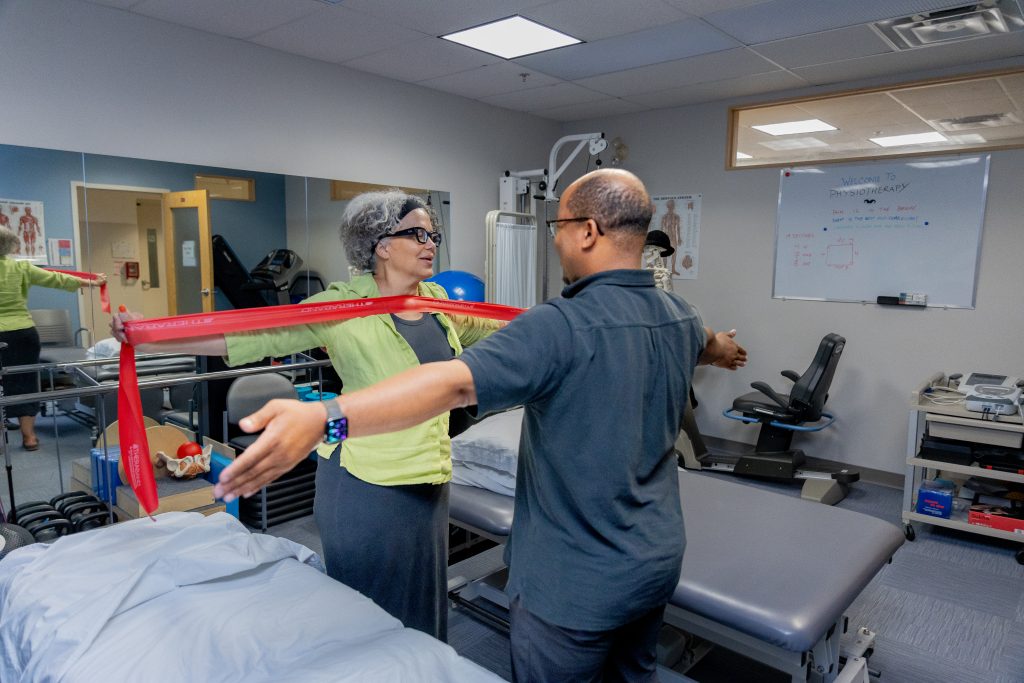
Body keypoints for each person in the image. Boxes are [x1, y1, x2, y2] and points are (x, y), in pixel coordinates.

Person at [212, 169, 746, 681]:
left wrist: (324, 417)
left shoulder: (535, 320)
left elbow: (453, 383)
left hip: (570, 579)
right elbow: (708, 342)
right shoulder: (680, 316)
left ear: (588, 232)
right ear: (378, 245)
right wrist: (722, 349)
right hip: (649, 559)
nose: (555, 241)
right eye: (417, 233)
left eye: (558, 228)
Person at [112, 190, 502, 642]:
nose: (430, 241)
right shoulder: (342, 306)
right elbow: (254, 335)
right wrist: (150, 336)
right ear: (380, 244)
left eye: (432, 233)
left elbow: (500, 327)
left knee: (422, 609)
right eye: (416, 233)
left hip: (429, 479)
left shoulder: (436, 302)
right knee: (372, 619)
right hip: (367, 483)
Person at [0, 227, 105, 450]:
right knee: (26, 383)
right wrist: (92, 282)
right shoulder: (21, 267)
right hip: (22, 333)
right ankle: (29, 437)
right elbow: (56, 279)